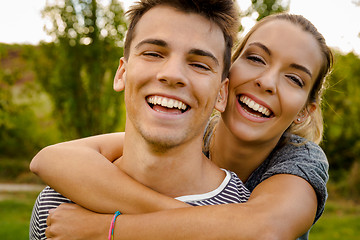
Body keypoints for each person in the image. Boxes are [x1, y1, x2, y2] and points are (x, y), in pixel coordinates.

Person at [30, 10, 333, 240]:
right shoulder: (188, 131)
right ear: (227, 76)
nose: (267, 82)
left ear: (304, 112)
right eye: (255, 58)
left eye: (294, 79)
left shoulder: (300, 160)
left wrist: (108, 228)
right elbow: (53, 159)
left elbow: (264, 229)